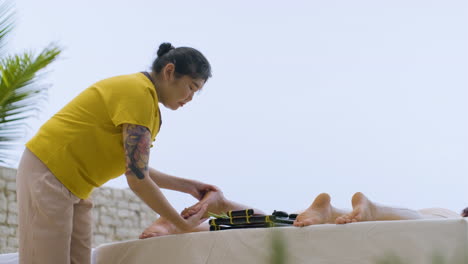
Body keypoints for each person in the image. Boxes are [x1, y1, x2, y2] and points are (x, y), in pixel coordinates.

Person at [16, 42, 216, 264]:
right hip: (50, 172)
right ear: (169, 71)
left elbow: (134, 166)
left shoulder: (147, 102)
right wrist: (181, 224)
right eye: (191, 87)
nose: (190, 98)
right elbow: (138, 179)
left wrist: (188, 187)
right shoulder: (138, 93)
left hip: (76, 186)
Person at [139, 191, 463, 238]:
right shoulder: (456, 221)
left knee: (284, 221)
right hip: (444, 218)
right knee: (428, 222)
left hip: (317, 215)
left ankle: (196, 224)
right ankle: (371, 210)